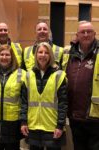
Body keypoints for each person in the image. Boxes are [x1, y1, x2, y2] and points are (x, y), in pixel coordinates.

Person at [21, 42, 68, 150]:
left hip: (52, 127)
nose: (43, 55)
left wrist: (60, 126)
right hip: (33, 126)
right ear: (36, 55)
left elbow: (63, 104)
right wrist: (23, 122)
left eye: (46, 52)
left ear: (51, 55)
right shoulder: (28, 75)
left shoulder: (59, 75)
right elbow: (24, 102)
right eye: (40, 52)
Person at [62, 20, 99, 150]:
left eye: (89, 32)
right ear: (77, 35)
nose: (86, 34)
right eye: (82, 32)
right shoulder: (68, 53)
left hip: (95, 116)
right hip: (74, 115)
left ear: (94, 34)